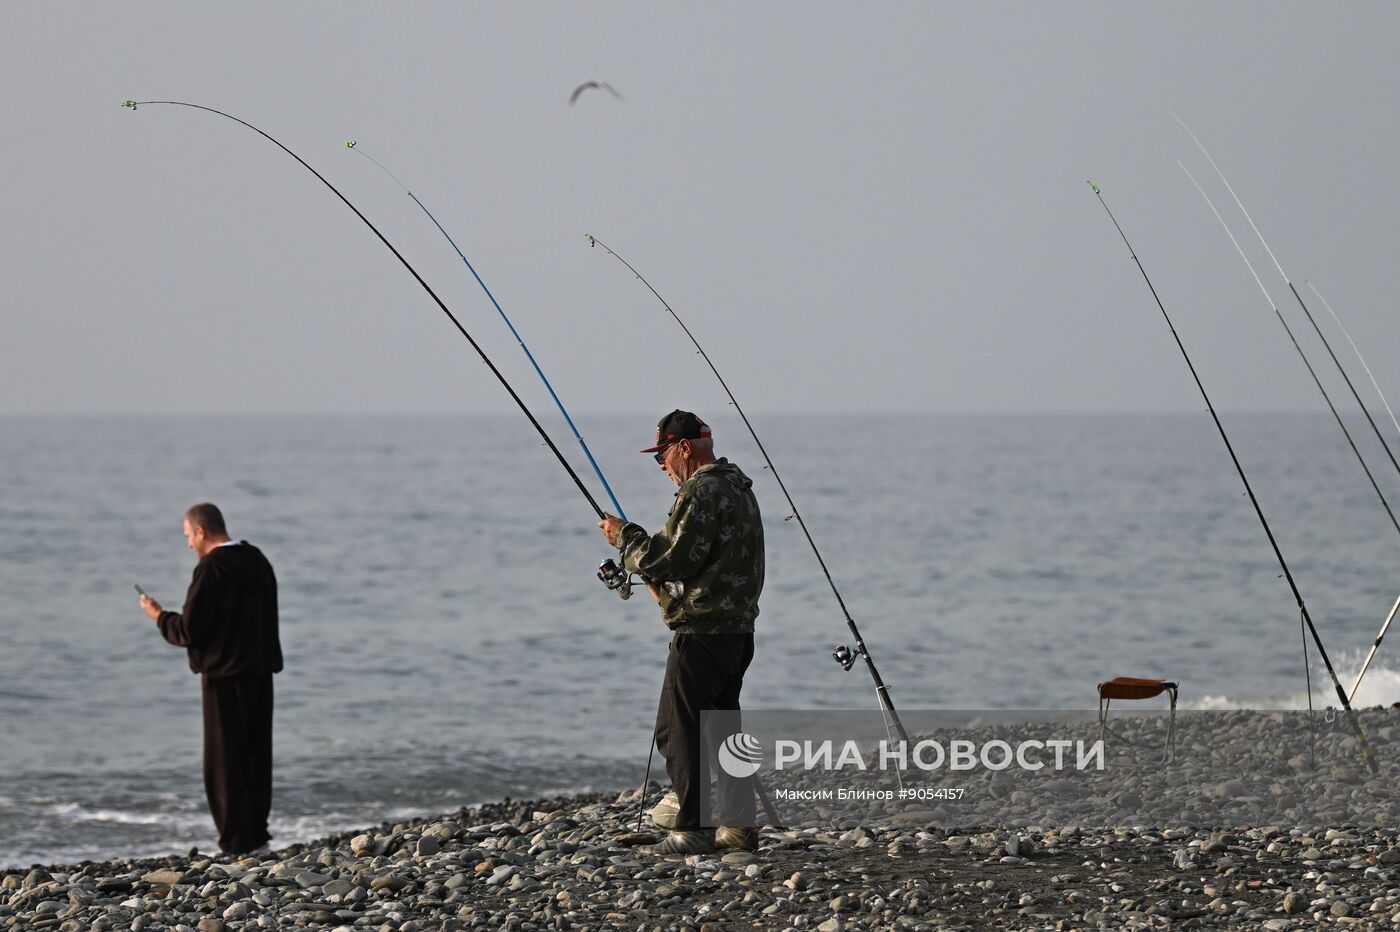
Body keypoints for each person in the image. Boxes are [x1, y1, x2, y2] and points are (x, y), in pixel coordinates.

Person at [598, 410, 765, 855]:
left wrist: (625, 536)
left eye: (663, 456)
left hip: (703, 630)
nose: (662, 466)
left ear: (684, 448)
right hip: (738, 630)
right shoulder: (738, 486)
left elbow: (670, 558)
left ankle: (692, 827)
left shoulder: (701, 490)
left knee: (677, 730)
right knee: (723, 728)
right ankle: (737, 826)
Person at [138, 503, 282, 855]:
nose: (189, 543)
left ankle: (236, 841)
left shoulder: (211, 569)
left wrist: (159, 616)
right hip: (260, 671)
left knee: (224, 761)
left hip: (224, 676)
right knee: (255, 755)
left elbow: (190, 630)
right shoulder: (257, 560)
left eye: (188, 535)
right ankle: (257, 835)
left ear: (201, 531)